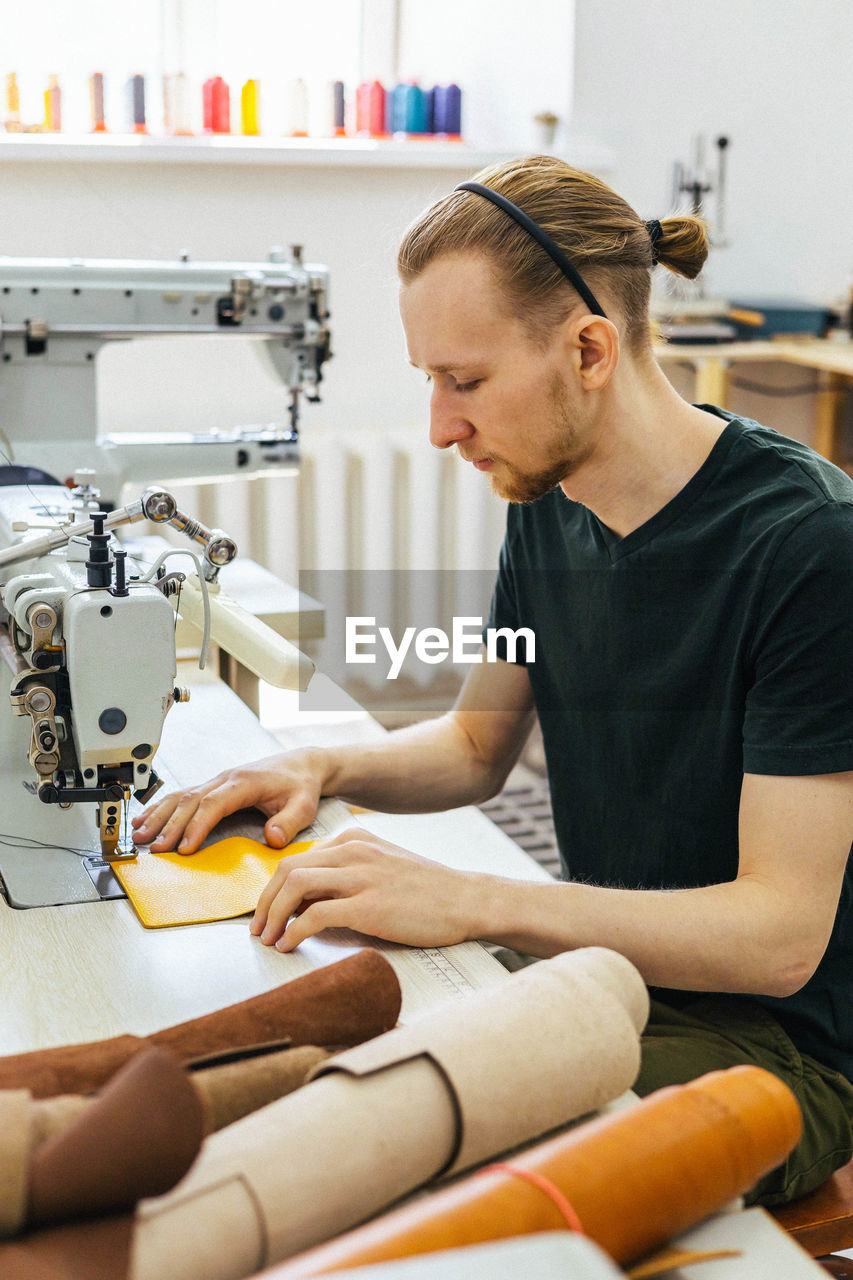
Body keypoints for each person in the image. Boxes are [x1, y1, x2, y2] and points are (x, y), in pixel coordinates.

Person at [134, 156, 853, 1206]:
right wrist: (316, 761)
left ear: (590, 349)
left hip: (771, 1050)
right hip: (595, 976)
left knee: (386, 1159)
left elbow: (779, 938)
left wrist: (473, 899)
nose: (438, 426)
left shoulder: (807, 546)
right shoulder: (551, 498)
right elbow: (478, 746)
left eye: (462, 381)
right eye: (431, 380)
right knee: (296, 1070)